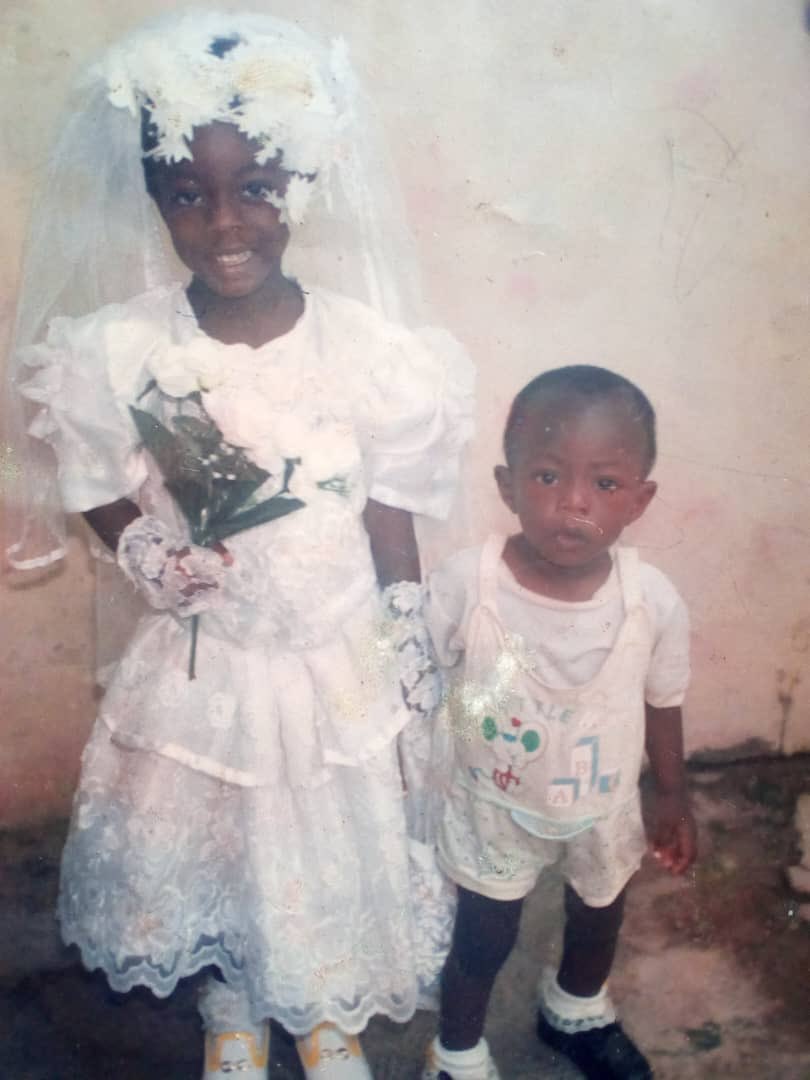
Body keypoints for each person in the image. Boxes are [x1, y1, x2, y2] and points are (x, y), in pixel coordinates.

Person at [5, 11, 472, 1079]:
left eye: (256, 188)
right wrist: (149, 556)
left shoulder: (365, 347)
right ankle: (232, 1000)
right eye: (187, 194)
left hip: (333, 651)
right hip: (208, 659)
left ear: (300, 183)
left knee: (327, 829)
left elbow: (389, 503)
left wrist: (404, 626)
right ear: (155, 198)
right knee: (220, 835)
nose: (224, 222)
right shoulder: (126, 347)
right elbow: (95, 481)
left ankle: (323, 1000)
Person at [422, 365, 696, 1080]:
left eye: (604, 483)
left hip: (603, 806)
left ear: (639, 499)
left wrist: (672, 795)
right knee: (483, 936)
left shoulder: (650, 599)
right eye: (547, 476)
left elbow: (663, 698)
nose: (573, 503)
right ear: (507, 485)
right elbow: (417, 675)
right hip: (494, 807)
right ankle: (457, 1053)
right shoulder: (468, 584)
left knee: (600, 914)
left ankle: (575, 1008)